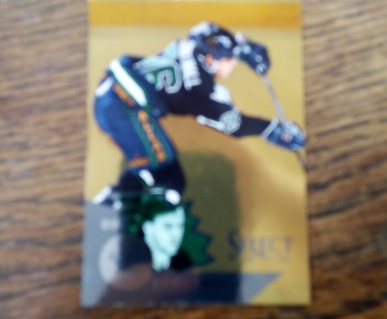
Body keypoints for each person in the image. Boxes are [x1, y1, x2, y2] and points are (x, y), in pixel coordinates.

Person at [93, 21, 306, 207]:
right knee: (170, 181)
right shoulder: (201, 91)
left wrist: (242, 47)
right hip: (125, 109)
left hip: (109, 92)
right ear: (211, 60)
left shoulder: (189, 46)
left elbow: (205, 30)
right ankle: (117, 210)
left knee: (159, 171)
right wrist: (273, 130)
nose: (233, 64)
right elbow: (235, 126)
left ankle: (117, 200)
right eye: (229, 59)